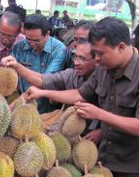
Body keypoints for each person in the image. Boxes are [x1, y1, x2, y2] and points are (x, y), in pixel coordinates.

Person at [25, 17, 139, 176]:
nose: (96, 59)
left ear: (120, 47)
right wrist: (43, 92)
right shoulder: (103, 68)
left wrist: (100, 114)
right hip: (102, 158)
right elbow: (80, 94)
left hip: (131, 167)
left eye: (100, 53)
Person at [2, 40, 100, 140]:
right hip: (70, 131)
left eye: (82, 59)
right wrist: (16, 66)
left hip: (94, 134)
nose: (76, 62)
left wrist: (101, 132)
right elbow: (42, 79)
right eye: (76, 57)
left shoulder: (102, 78)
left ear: (96, 60)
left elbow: (78, 95)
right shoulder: (72, 74)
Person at [8, 14, 66, 113]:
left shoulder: (59, 50)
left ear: (47, 34)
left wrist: (11, 107)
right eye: (28, 39)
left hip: (46, 109)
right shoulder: (19, 47)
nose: (31, 43)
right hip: (22, 105)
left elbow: (45, 82)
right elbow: (10, 75)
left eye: (36, 40)